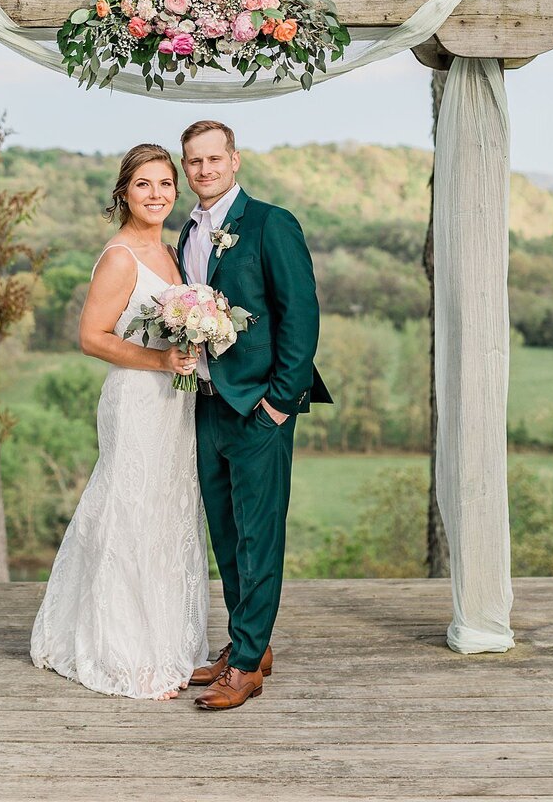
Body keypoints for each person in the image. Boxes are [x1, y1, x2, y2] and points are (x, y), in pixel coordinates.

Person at [30, 144, 209, 701]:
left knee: (169, 510)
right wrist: (160, 360)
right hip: (136, 398)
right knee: (130, 508)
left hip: (174, 402)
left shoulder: (171, 253)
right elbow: (91, 337)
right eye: (143, 185)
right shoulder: (120, 257)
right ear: (123, 193)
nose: (155, 194)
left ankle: (168, 640)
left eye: (164, 184)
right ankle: (126, 650)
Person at [177, 119, 333, 711]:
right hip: (207, 404)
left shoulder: (272, 223)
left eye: (215, 158)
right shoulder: (189, 233)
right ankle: (248, 643)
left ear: (235, 160)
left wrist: (278, 403)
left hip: (259, 409)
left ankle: (246, 667)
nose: (205, 169)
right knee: (226, 532)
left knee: (259, 536)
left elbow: (301, 316)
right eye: (194, 161)